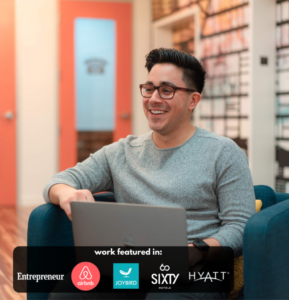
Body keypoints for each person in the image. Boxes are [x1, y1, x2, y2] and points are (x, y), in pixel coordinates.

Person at [45, 48, 256, 300]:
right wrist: (66, 193)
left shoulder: (224, 152)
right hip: (129, 267)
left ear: (193, 100)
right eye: (149, 88)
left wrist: (197, 250)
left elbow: (240, 226)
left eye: (167, 90)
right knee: (66, 295)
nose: (154, 99)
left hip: (198, 270)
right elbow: (57, 182)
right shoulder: (122, 151)